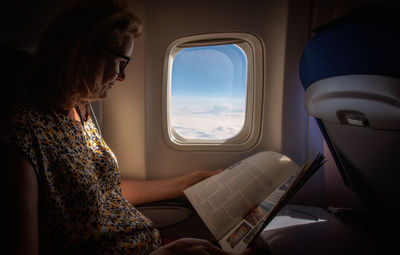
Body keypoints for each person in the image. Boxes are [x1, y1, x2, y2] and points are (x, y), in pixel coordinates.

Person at [0, 0, 256, 254]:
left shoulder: (79, 111)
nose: (122, 76)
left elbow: (104, 189)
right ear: (82, 53)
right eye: (121, 62)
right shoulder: (22, 134)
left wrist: (188, 182)